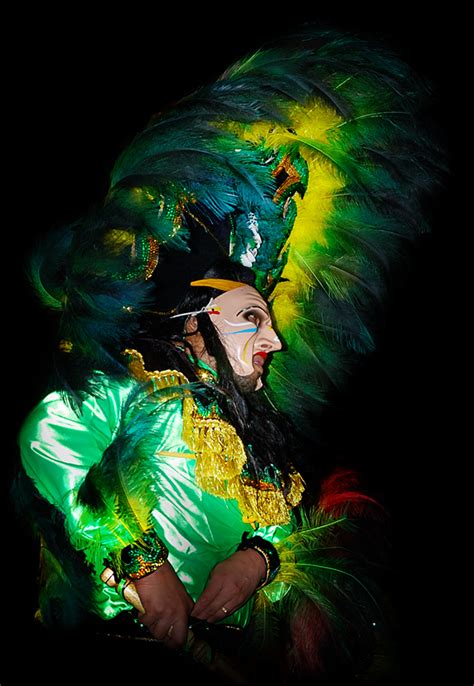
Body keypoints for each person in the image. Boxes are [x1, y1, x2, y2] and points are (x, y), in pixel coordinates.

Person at [14, 27, 442, 683]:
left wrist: (256, 562)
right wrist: (139, 564)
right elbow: (51, 439)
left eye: (268, 320)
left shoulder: (253, 432)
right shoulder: (136, 390)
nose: (275, 341)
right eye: (252, 319)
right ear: (192, 323)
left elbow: (281, 524)